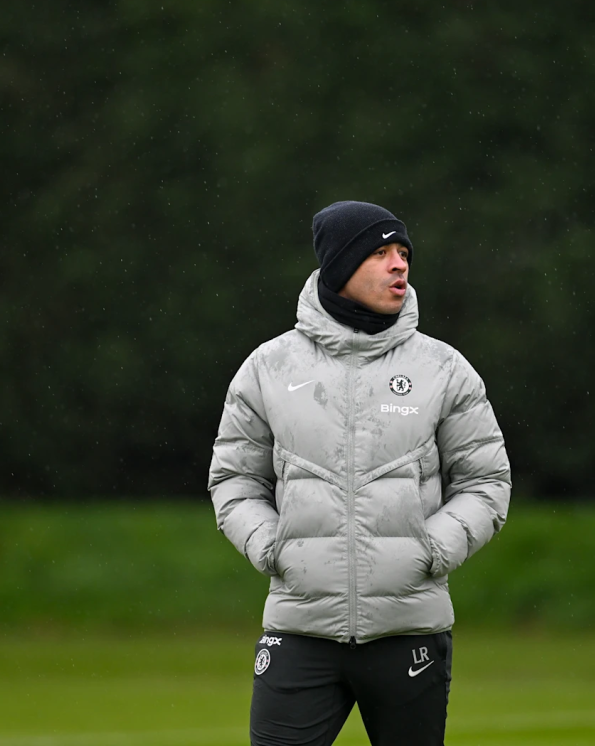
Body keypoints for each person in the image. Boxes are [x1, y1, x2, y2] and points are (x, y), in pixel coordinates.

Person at [208, 201, 512, 746]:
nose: (399, 265)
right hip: (299, 631)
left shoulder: (443, 369)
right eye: (379, 253)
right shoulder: (268, 368)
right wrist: (272, 547)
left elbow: (486, 482)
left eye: (403, 254)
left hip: (409, 634)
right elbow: (234, 479)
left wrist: (431, 550)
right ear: (338, 266)